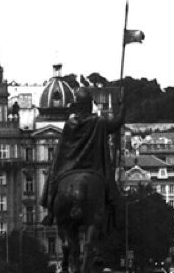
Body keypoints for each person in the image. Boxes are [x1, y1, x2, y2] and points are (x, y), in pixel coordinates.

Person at [39, 86, 124, 228]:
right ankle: (114, 214)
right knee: (111, 190)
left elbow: (62, 150)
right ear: (89, 105)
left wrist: (59, 163)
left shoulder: (70, 124)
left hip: (69, 166)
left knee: (53, 174)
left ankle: (50, 212)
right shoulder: (99, 122)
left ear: (77, 106)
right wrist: (122, 108)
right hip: (93, 168)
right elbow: (116, 124)